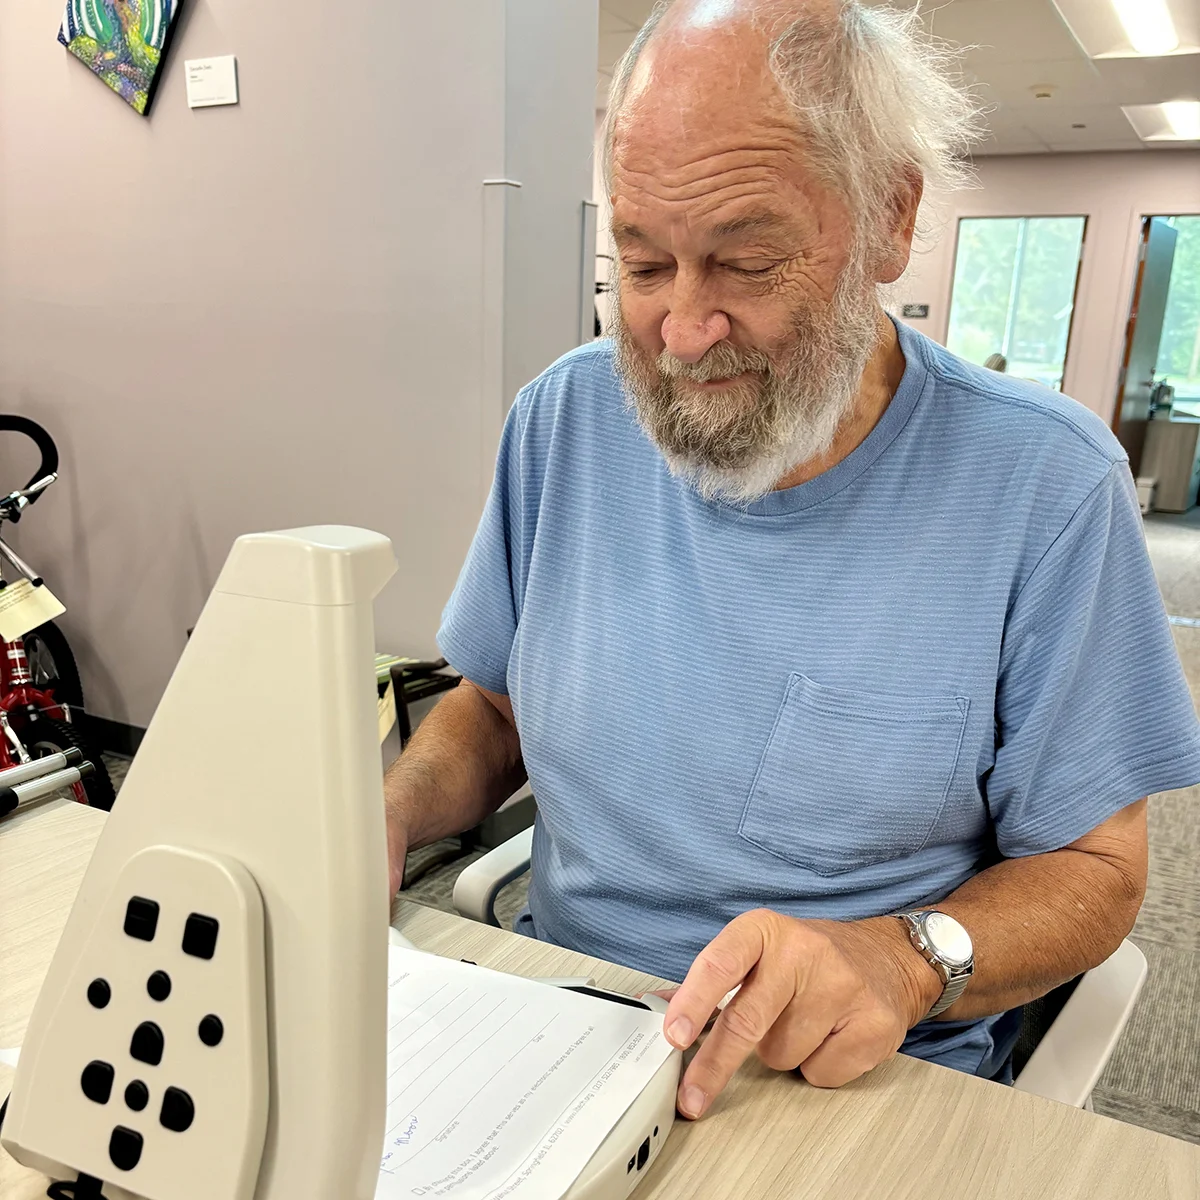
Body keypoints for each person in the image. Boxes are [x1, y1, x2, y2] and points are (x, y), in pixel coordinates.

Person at [384, 0, 1200, 1120]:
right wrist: (383, 813)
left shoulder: (1046, 487)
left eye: (747, 263)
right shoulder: (563, 421)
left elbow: (1099, 874)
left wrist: (903, 960)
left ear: (890, 219)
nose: (679, 330)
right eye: (644, 261)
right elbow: (494, 711)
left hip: (851, 1077)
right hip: (565, 1026)